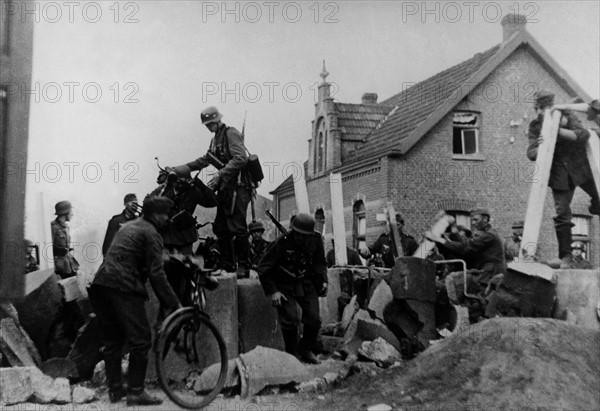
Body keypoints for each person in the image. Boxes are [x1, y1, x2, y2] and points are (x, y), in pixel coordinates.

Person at [88, 196, 181, 406]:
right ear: (157, 215)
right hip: (122, 286)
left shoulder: (130, 227)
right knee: (141, 340)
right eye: (166, 215)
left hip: (101, 284)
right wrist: (175, 304)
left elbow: (130, 255)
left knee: (113, 341)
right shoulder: (152, 233)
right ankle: (136, 391)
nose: (168, 219)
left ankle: (115, 390)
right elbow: (157, 274)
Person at [174, 106, 252, 278]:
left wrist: (220, 174)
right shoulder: (215, 139)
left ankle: (244, 266)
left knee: (238, 226)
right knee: (220, 227)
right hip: (226, 188)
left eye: (211, 124)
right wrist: (180, 169)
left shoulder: (231, 133)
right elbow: (205, 159)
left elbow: (241, 158)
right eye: (207, 125)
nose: (209, 127)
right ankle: (228, 265)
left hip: (240, 187)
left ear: (218, 120)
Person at [527, 90, 600, 263]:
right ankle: (565, 257)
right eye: (537, 109)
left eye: (543, 109)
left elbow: (582, 135)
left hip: (581, 168)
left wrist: (556, 131)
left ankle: (596, 205)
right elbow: (531, 153)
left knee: (599, 198)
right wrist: (540, 147)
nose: (539, 113)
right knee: (561, 214)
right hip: (559, 175)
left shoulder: (567, 116)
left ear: (550, 107)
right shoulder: (535, 126)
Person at [257, 213, 328, 364]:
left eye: (304, 236)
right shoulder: (281, 243)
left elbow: (320, 262)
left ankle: (306, 350)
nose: (300, 238)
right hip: (283, 284)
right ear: (293, 231)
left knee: (314, 319)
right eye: (297, 234)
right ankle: (292, 355)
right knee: (290, 319)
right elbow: (263, 267)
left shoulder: (315, 240)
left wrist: (323, 280)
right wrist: (273, 291)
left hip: (305, 281)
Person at [426, 209, 506, 301]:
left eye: (476, 220)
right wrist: (454, 230)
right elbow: (466, 244)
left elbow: (465, 248)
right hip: (486, 271)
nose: (473, 223)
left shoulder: (488, 235)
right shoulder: (488, 233)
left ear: (485, 219)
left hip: (487, 275)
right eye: (472, 220)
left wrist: (439, 239)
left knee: (448, 285)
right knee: (449, 284)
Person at [51, 201, 79, 279]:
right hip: (59, 264)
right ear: (65, 213)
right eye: (71, 211)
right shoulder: (53, 227)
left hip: (67, 262)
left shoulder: (66, 227)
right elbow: (49, 247)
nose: (72, 214)